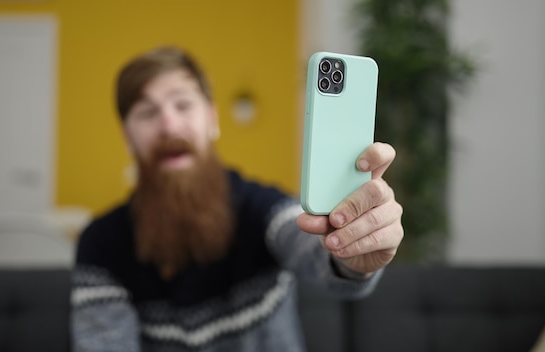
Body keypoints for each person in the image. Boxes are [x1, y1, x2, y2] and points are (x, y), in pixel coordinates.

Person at [71, 46, 403, 352]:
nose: (169, 125)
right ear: (128, 138)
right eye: (147, 113)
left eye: (183, 104)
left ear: (213, 119)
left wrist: (351, 255)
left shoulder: (264, 209)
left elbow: (307, 246)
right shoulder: (100, 245)